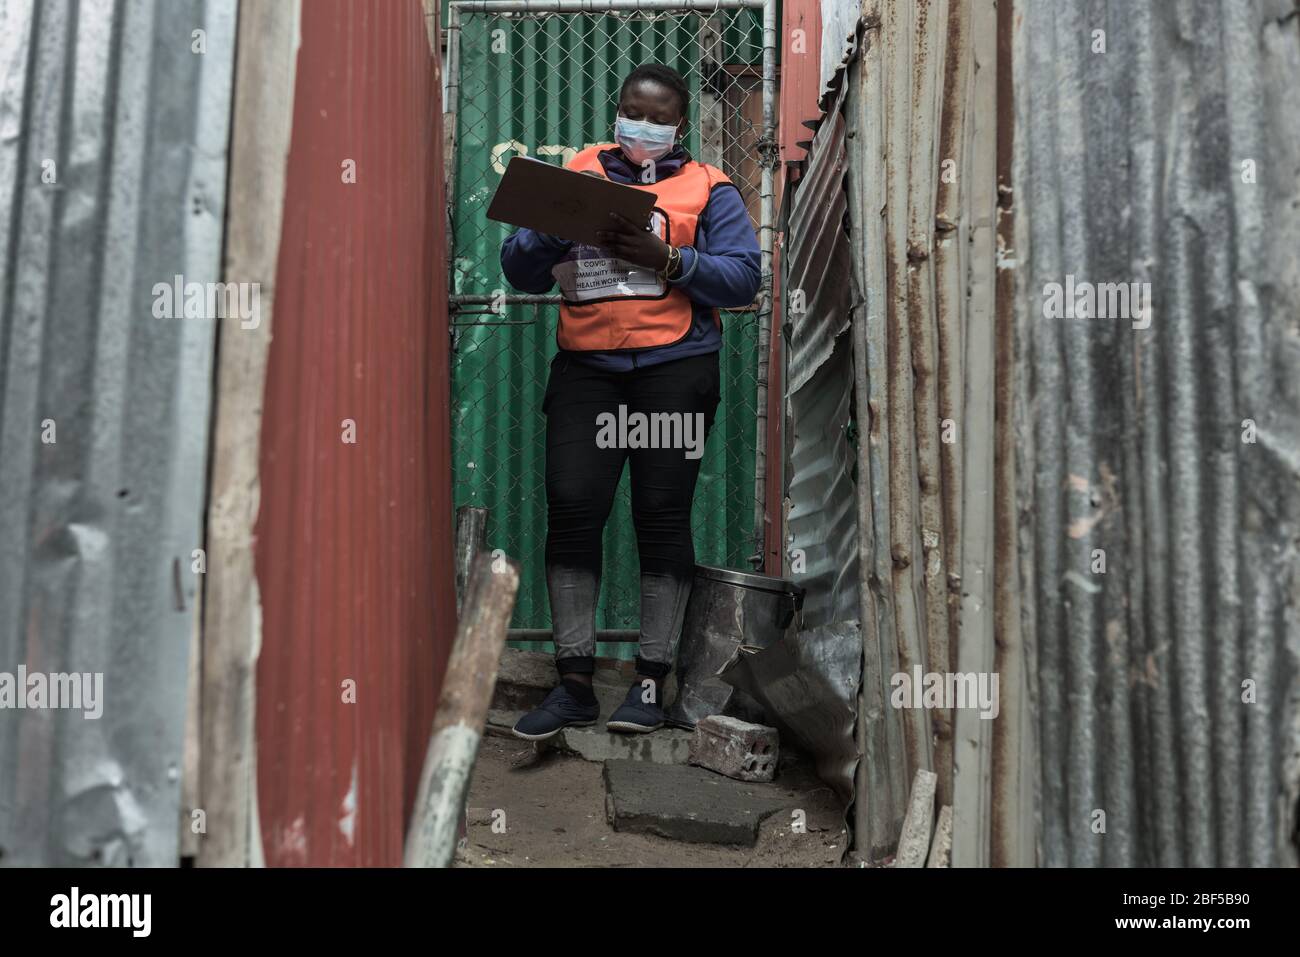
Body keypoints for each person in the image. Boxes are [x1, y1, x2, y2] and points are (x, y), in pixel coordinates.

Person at [500, 63, 761, 739]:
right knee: (574, 509)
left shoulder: (708, 188)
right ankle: (574, 683)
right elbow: (520, 270)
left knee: (661, 514)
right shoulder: (577, 173)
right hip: (588, 371)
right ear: (616, 114)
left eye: (659, 117)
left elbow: (742, 278)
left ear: (679, 125)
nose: (642, 126)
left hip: (674, 371)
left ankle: (649, 681)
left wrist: (667, 258)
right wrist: (554, 229)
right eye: (632, 112)